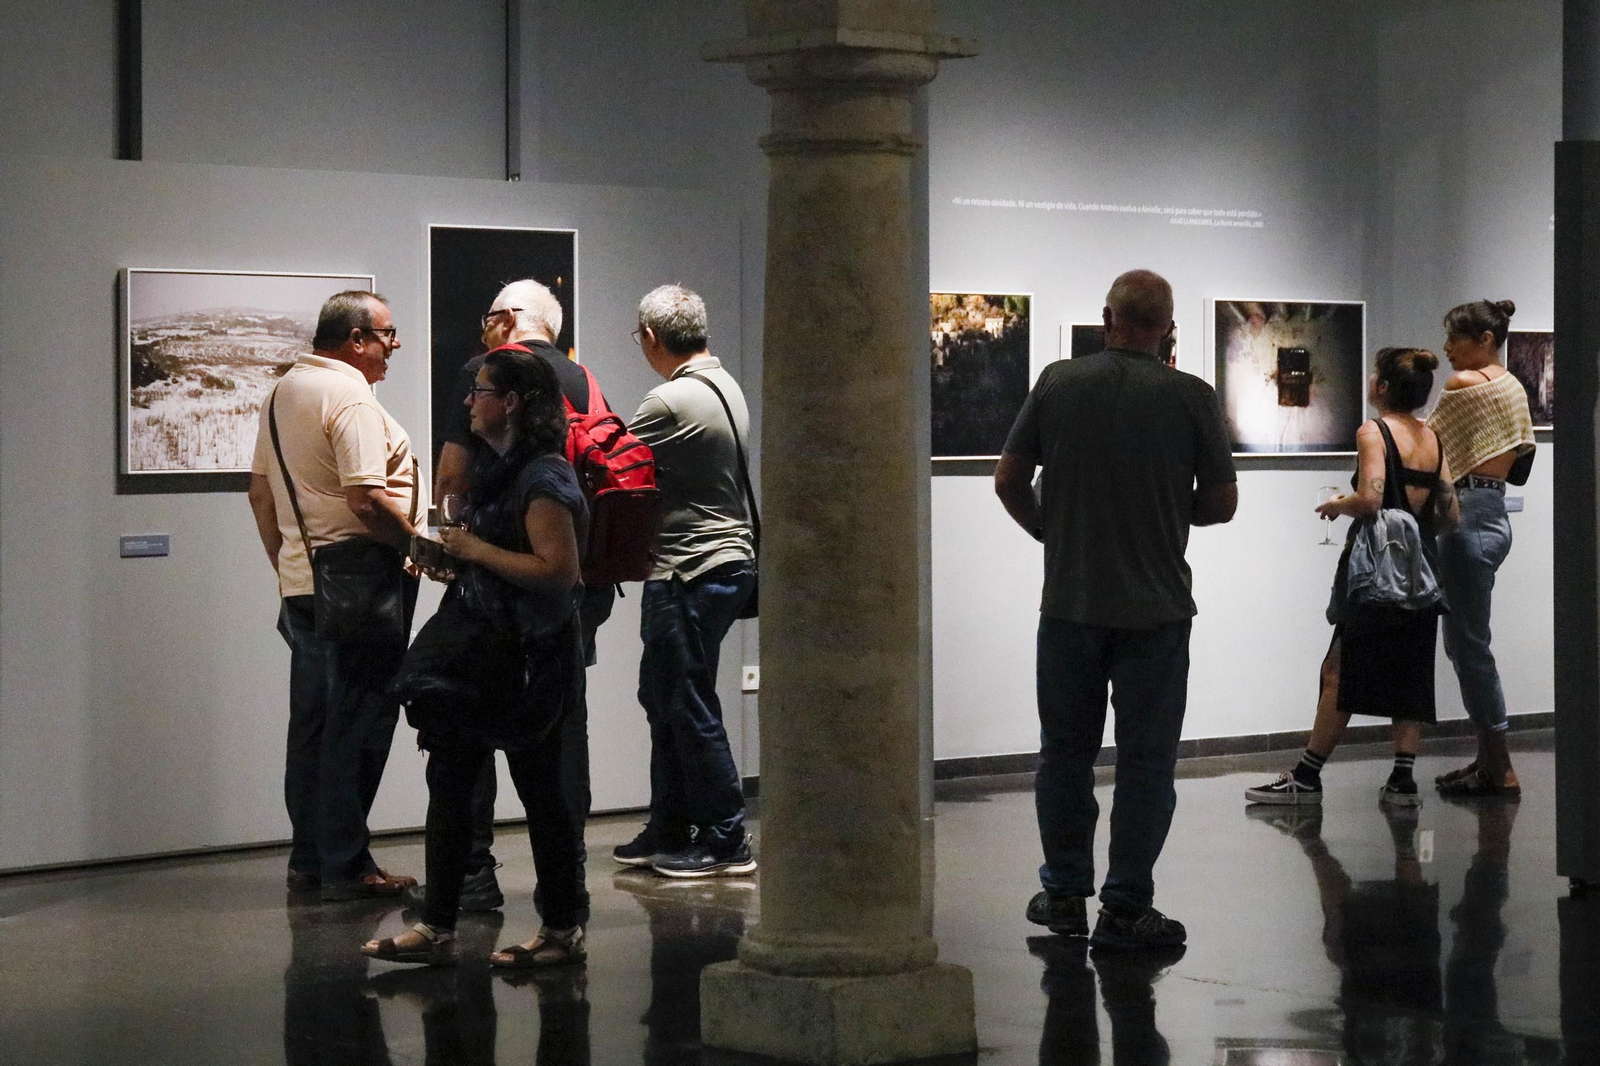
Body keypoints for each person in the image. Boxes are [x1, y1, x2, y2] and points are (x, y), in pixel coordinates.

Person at [995, 269, 1238, 950]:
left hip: (1069, 603)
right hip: (1157, 609)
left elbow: (1008, 479)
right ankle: (1127, 906)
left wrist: (1053, 528)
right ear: (1167, 329)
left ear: (1109, 318)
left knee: (1064, 757)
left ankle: (1065, 894)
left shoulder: (1058, 383)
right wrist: (1165, 510)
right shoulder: (1192, 396)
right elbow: (1222, 502)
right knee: (1145, 763)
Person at [362, 349, 590, 967]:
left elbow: (558, 572)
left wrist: (473, 549)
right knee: (451, 785)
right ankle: (438, 925)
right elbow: (495, 559)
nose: (469, 402)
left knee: (541, 792)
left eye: (480, 391)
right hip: (483, 653)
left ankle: (563, 930)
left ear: (510, 403)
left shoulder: (544, 476)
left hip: (528, 658)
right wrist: (451, 558)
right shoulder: (495, 469)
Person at [409, 278, 613, 914]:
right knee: (557, 742)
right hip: (580, 595)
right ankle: (566, 884)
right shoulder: (582, 379)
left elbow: (449, 479)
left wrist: (453, 544)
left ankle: (472, 874)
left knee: (472, 730)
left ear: (507, 321)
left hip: (506, 598)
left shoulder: (489, 373)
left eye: (488, 318)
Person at [246, 290, 421, 901]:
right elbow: (366, 498)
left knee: (314, 726)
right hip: (362, 584)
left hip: (306, 584)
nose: (394, 345)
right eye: (388, 334)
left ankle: (309, 857)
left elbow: (260, 495)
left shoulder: (282, 391)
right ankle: (347, 863)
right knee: (359, 725)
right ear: (355, 339)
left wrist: (288, 562)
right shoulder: (348, 394)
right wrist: (419, 548)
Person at [1246, 348, 1459, 808]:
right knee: (1411, 671)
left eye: (1373, 374)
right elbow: (1450, 512)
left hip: (1375, 575)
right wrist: (1415, 536)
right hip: (1422, 576)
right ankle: (1403, 780)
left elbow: (1371, 499)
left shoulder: (1373, 431)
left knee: (1338, 669)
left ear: (1382, 386)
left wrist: (1339, 504)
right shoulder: (1433, 437)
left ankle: (1307, 775)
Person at [612, 284, 757, 878]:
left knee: (686, 700)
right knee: (666, 695)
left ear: (650, 338)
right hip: (721, 564)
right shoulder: (726, 386)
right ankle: (670, 823)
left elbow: (611, 466)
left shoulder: (668, 400)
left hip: (687, 569)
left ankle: (725, 838)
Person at [1429, 299, 1536, 799]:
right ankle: (1486, 759)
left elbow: (1429, 443)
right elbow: (1521, 460)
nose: (1447, 348)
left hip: (1466, 514)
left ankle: (1502, 768)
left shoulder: (1463, 385)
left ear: (1486, 340)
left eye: (1456, 338)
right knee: (1468, 644)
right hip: (1494, 515)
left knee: (1469, 648)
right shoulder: (1513, 385)